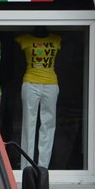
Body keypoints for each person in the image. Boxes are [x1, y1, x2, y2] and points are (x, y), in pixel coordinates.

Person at [15, 28, 61, 168]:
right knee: (28, 123)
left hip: (51, 84)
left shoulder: (56, 39)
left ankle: (43, 167)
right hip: (30, 83)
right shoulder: (24, 39)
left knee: (48, 124)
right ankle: (26, 167)